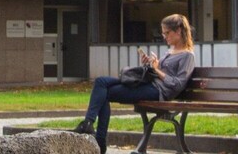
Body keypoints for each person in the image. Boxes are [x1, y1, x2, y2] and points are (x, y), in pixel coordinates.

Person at [73, 14, 195, 148]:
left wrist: (157, 70)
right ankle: (89, 124)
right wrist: (151, 64)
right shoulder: (171, 50)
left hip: (158, 92)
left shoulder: (187, 56)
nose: (164, 37)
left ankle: (98, 138)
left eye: (167, 33)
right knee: (101, 82)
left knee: (104, 93)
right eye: (163, 33)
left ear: (178, 31)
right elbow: (160, 72)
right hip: (149, 83)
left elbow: (178, 84)